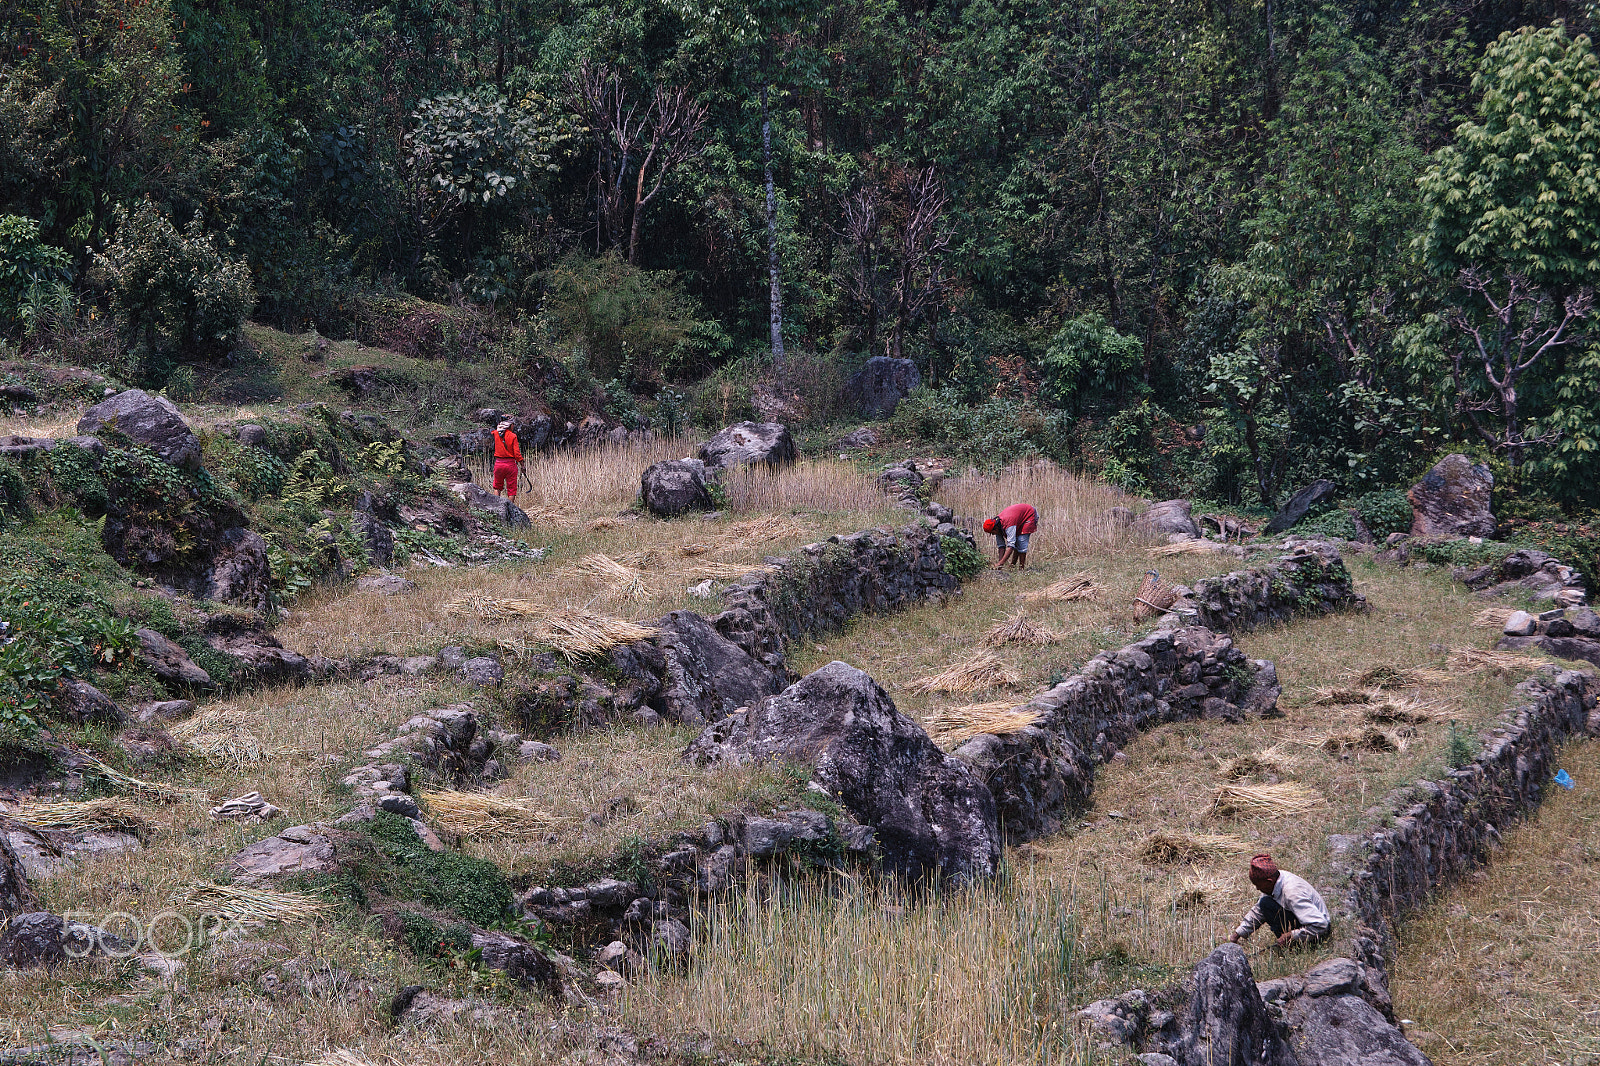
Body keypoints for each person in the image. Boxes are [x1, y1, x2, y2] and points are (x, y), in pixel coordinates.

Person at [1228, 853, 1331, 949]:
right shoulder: (1275, 880)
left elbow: (1320, 925)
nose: (1257, 889)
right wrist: (1237, 935)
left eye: (1258, 885)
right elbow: (1258, 911)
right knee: (1265, 903)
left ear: (1269, 881)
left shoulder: (1292, 892)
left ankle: (1296, 947)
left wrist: (1292, 935)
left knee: (1266, 904)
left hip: (1317, 931)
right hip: (1305, 922)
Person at [983, 503, 1037, 569]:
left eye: (992, 532)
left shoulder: (1008, 524)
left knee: (1021, 541)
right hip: (1017, 517)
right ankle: (1012, 566)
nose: (993, 534)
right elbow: (1001, 546)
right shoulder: (997, 525)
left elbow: (1011, 546)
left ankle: (1021, 569)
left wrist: (1000, 563)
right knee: (1017, 541)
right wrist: (1000, 564)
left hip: (1029, 514)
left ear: (995, 528)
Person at [492, 419, 523, 500]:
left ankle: (496, 508)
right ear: (509, 425)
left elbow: (494, 432)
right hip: (510, 465)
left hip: (498, 463)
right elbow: (517, 454)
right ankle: (509, 510)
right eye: (513, 424)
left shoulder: (496, 433)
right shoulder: (513, 436)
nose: (514, 426)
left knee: (497, 487)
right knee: (511, 489)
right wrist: (522, 465)